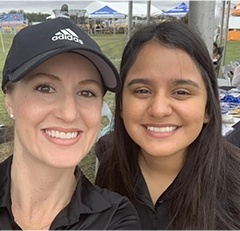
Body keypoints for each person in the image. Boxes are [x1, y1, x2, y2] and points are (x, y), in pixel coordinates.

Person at [95, 20, 240, 229]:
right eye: (142, 91)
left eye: (181, 92)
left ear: (208, 108)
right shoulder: (111, 170)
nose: (159, 109)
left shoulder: (235, 183)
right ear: (121, 105)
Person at [0, 17, 141, 230]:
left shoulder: (114, 219)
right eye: (45, 88)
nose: (68, 113)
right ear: (9, 100)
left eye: (86, 92)